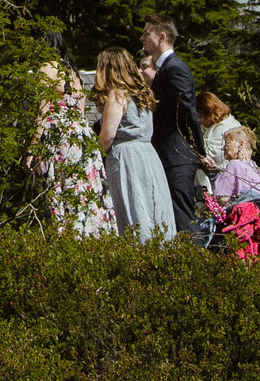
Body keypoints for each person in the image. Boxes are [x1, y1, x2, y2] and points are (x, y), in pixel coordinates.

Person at [139, 15, 208, 242]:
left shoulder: (174, 69)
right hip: (171, 156)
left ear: (162, 36)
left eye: (146, 33)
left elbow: (188, 112)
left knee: (183, 221)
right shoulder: (166, 69)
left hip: (177, 157)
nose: (142, 38)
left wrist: (200, 151)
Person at [96, 48, 175, 242]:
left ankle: (139, 251)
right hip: (147, 155)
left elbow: (107, 135)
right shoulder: (142, 92)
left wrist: (93, 156)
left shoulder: (118, 93)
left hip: (126, 157)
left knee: (133, 205)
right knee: (151, 205)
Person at [36, 57, 113, 238]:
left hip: (60, 139)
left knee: (60, 193)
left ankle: (66, 239)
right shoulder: (73, 72)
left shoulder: (48, 66)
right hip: (81, 139)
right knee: (82, 193)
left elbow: (42, 110)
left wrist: (32, 148)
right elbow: (81, 111)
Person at [203, 129, 260, 261]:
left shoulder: (233, 165)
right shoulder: (255, 167)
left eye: (227, 143)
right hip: (255, 223)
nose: (223, 148)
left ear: (240, 144)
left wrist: (204, 208)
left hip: (237, 221)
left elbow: (222, 199)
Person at [195, 91, 250, 192]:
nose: (201, 121)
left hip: (223, 177)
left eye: (201, 117)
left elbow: (215, 156)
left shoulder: (224, 127)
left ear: (210, 112)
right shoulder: (218, 125)